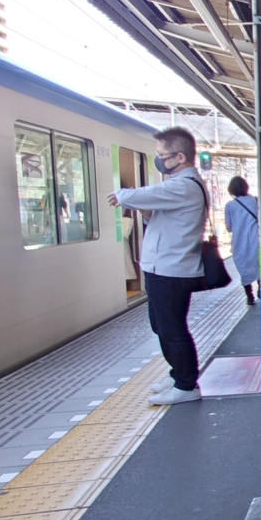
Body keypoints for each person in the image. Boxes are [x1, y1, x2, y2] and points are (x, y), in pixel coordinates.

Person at [108, 128, 205, 406]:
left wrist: (123, 194)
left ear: (180, 156)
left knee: (172, 328)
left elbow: (143, 195)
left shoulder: (183, 185)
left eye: (162, 155)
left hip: (171, 271)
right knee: (162, 326)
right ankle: (178, 376)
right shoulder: (179, 186)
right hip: (164, 268)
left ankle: (186, 385)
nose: (159, 160)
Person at [224, 176, 260, 306]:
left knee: (244, 268)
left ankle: (249, 296)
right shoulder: (255, 201)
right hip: (256, 239)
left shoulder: (230, 205)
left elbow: (228, 227)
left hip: (239, 241)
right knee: (259, 265)